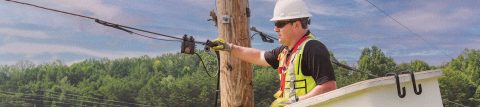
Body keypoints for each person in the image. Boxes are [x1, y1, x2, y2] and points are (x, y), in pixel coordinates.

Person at [211, 0, 336, 106]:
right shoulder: (285, 51)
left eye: (279, 24)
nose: (275, 29)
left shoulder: (313, 48)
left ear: (297, 25)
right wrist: (229, 47)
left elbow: (329, 87)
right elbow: (259, 56)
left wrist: (293, 102)